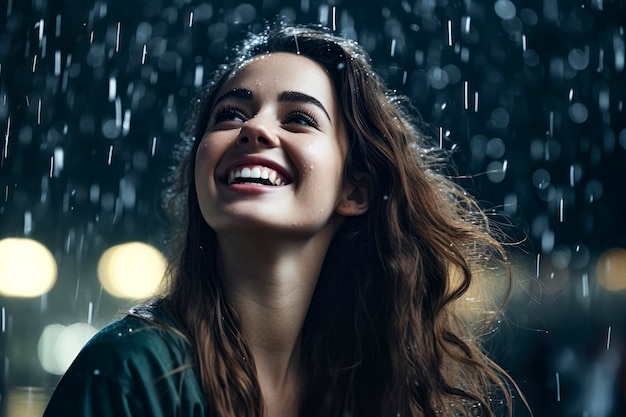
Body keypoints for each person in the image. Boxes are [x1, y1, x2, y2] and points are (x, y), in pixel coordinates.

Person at [44, 23, 524, 417]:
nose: (253, 127)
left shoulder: (373, 386)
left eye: (298, 118)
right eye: (230, 114)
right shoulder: (130, 372)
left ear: (354, 190)